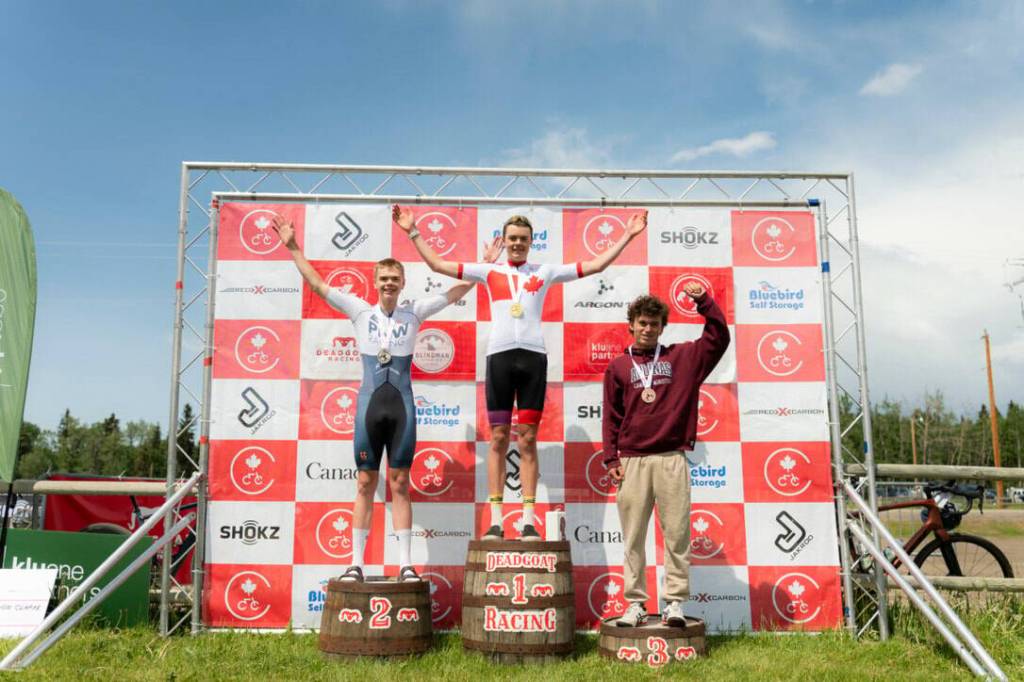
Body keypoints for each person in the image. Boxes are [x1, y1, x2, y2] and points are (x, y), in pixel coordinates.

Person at [394, 205, 647, 540]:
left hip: (532, 359)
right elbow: (438, 264)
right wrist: (413, 232)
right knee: (498, 438)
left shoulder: (544, 272)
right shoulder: (488, 271)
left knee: (528, 439)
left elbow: (596, 265)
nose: (517, 244)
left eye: (523, 239)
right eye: (512, 238)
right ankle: (497, 520)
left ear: (531, 242)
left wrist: (627, 235)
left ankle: (528, 519)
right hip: (499, 358)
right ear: (505, 239)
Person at [273, 216, 500, 581]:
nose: (389, 284)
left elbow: (455, 292)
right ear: (375, 283)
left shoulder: (415, 312)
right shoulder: (359, 311)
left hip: (402, 407)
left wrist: (486, 263)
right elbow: (317, 285)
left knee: (399, 482)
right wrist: (293, 247)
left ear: (403, 282)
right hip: (369, 407)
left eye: (395, 279)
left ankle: (406, 564)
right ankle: (356, 564)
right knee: (365, 482)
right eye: (384, 279)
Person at [602, 288, 729, 627]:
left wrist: (704, 302)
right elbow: (611, 417)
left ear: (662, 327)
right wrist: (610, 459)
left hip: (671, 457)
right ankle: (635, 604)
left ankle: (673, 602)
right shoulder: (618, 366)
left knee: (676, 534)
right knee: (632, 537)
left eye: (654, 324)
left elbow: (719, 336)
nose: (648, 328)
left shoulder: (683, 358)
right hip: (631, 461)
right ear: (631, 325)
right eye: (642, 323)